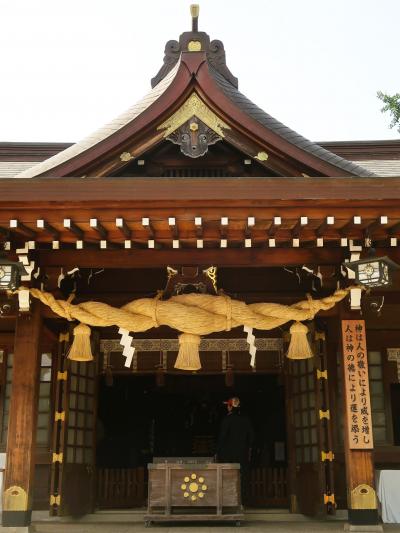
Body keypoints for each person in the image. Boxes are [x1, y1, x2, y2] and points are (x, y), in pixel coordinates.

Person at [217, 397, 254, 502]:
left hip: (228, 456)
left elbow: (222, 438)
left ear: (230, 407)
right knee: (242, 477)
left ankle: (229, 501)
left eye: (228, 406)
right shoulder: (246, 420)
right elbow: (252, 437)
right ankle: (242, 500)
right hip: (242, 454)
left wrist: (218, 452)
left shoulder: (227, 420)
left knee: (228, 477)